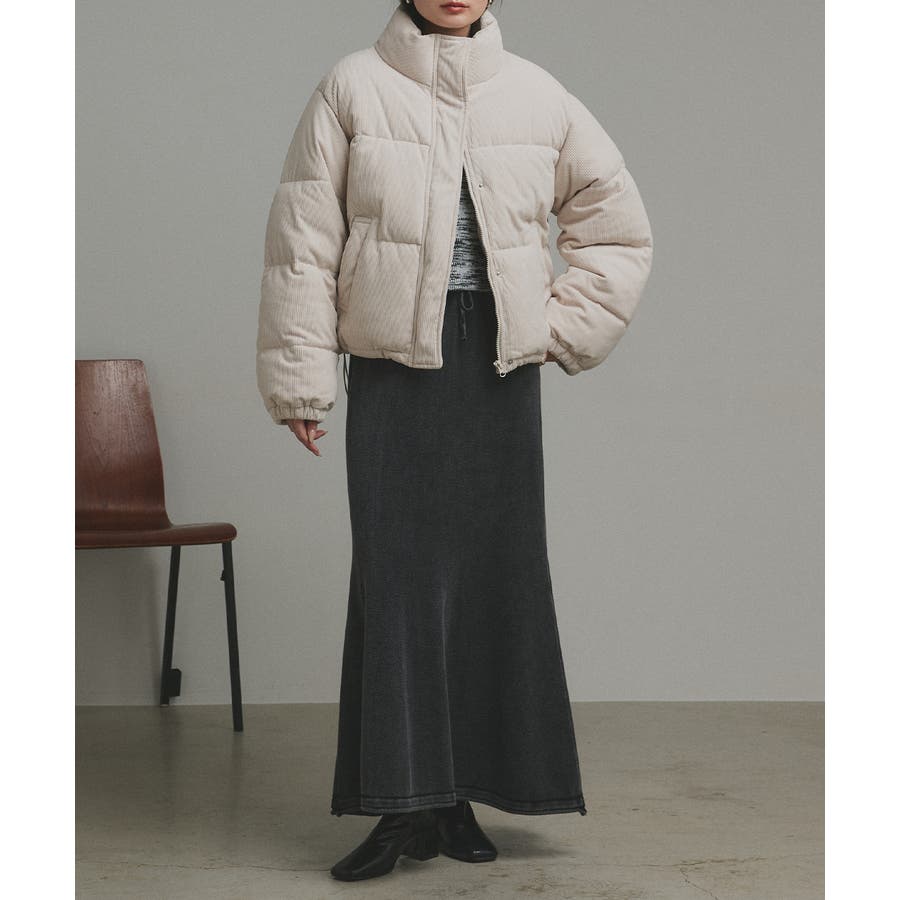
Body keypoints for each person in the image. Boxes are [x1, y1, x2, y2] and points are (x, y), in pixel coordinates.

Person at [256, 0, 653, 883]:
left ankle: (459, 793)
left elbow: (617, 227)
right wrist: (302, 379)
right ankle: (404, 803)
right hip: (395, 364)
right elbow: (303, 241)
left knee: (493, 580)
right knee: (399, 584)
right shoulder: (351, 87)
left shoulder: (537, 94)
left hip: (499, 368)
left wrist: (557, 328)